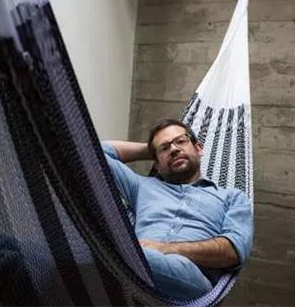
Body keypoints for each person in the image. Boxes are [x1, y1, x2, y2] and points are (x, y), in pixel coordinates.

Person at [101, 118, 253, 300]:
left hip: (191, 281)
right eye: (165, 148)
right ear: (157, 164)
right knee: (106, 247)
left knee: (109, 251)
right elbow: (96, 153)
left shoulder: (232, 197)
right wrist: (150, 150)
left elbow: (232, 251)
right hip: (135, 268)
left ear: (199, 148)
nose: (173, 149)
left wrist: (164, 249)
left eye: (181, 141)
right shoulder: (141, 186)